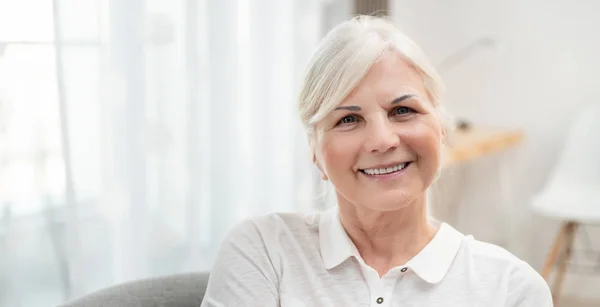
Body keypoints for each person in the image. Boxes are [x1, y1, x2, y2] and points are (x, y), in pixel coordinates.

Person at [201, 15, 552, 307]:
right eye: (347, 120)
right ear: (315, 153)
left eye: (403, 110)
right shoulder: (263, 251)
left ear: (442, 130)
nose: (383, 141)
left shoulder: (511, 289)